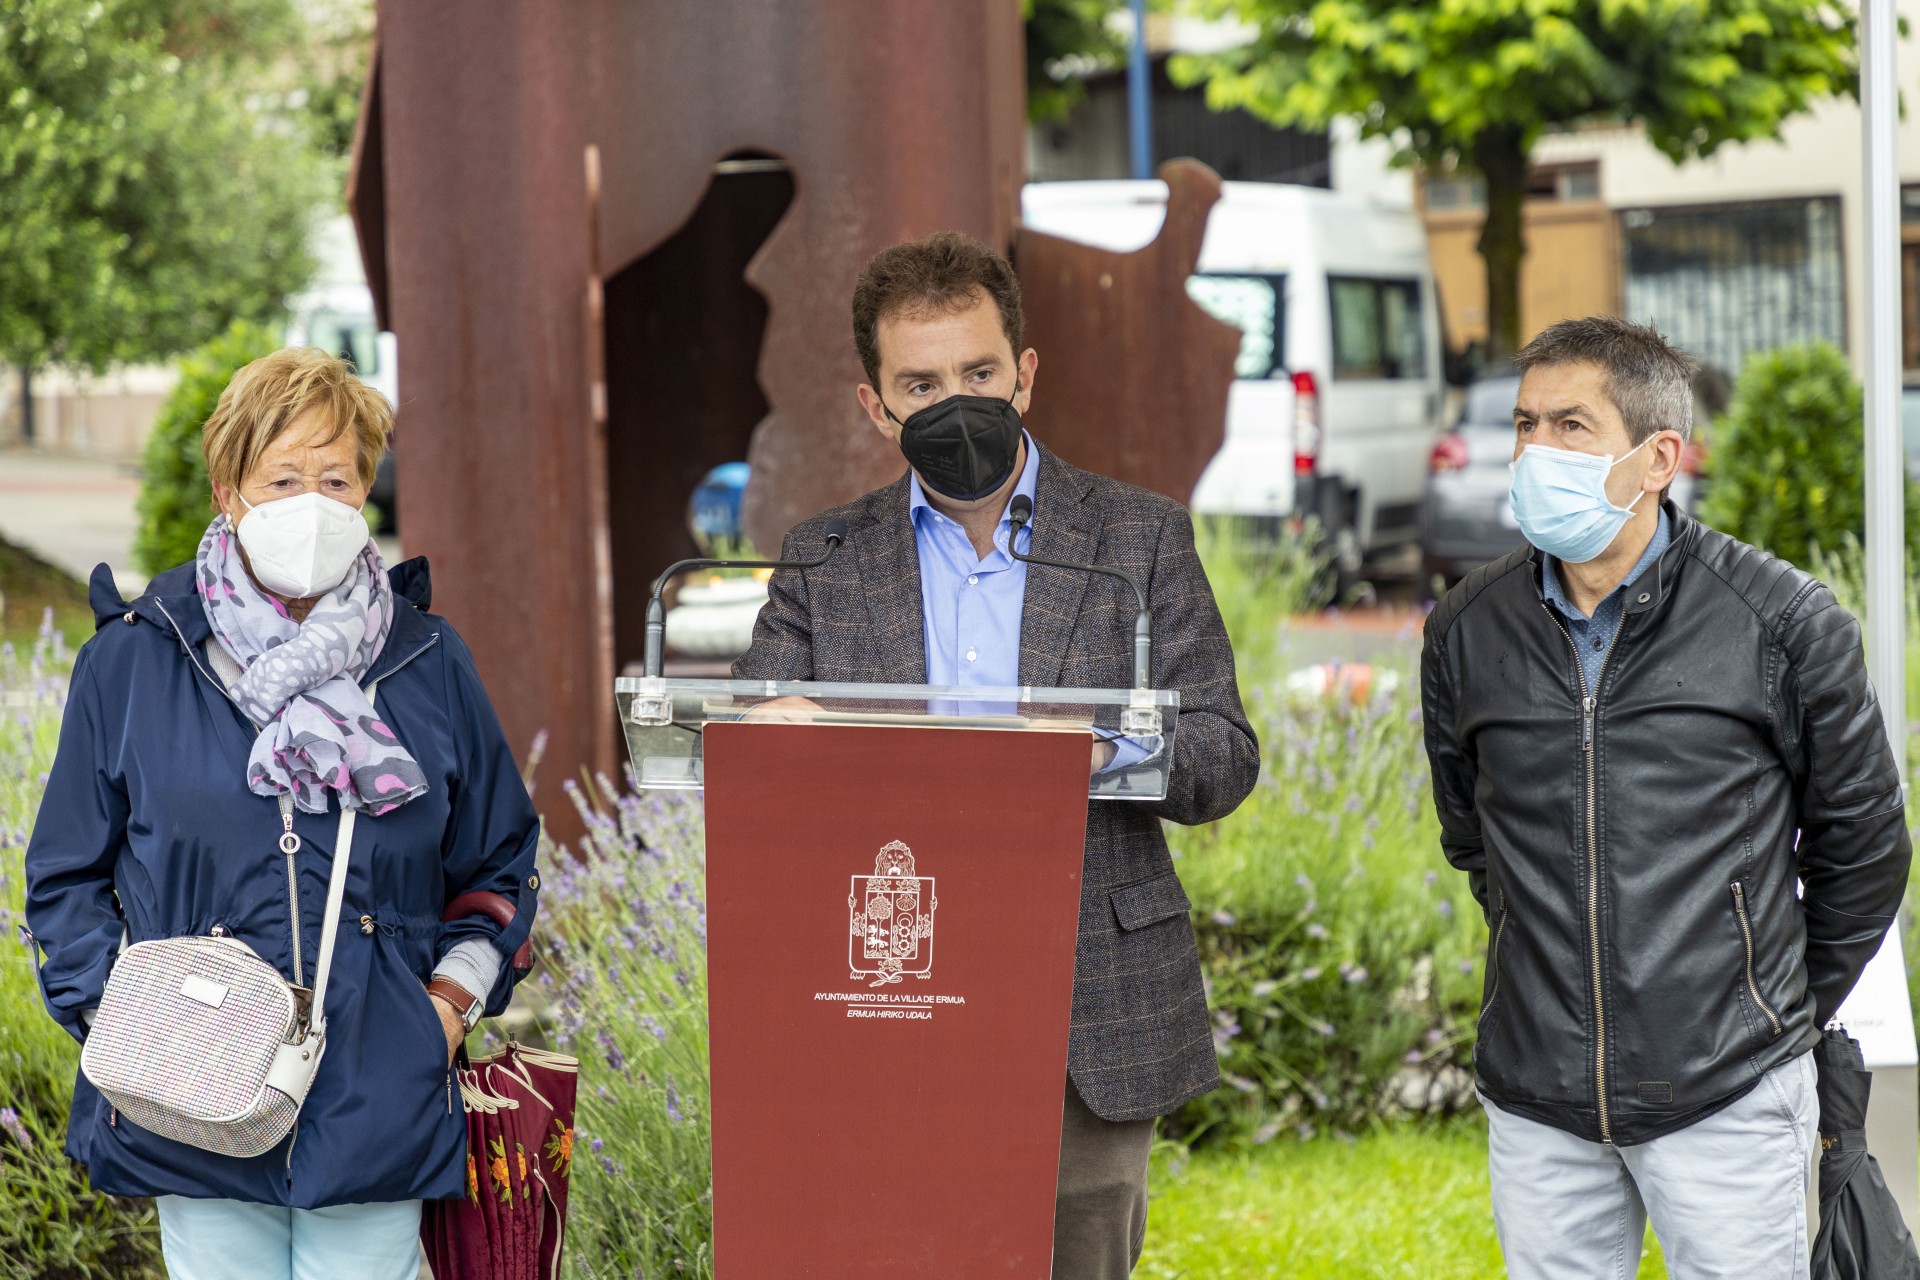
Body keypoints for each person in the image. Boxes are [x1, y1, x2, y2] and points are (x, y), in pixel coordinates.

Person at [733, 231, 1260, 1278]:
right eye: (920, 383)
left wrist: (1096, 751)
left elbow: (1220, 753)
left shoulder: (1139, 537)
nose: (955, 399)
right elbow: (753, 753)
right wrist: (772, 739)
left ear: (1024, 372)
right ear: (874, 405)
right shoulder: (822, 557)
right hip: (879, 989)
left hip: (1083, 995)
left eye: (978, 372)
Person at [25, 348, 542, 1280]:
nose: (312, 502)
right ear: (229, 490)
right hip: (192, 1087)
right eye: (283, 478)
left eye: (335, 478)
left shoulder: (427, 662)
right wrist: (121, 1018)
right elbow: (66, 877)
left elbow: (498, 865)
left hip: (377, 1084)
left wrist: (446, 1008)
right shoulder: (137, 661)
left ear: (366, 493)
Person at [1420, 316, 1911, 1279]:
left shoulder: (1783, 622)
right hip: (1539, 1096)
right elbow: (1473, 838)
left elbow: (1865, 849)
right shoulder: (1466, 628)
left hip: (1727, 1096)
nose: (1534, 453)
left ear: (1660, 459)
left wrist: (1765, 1008)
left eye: (1570, 427)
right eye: (1526, 426)